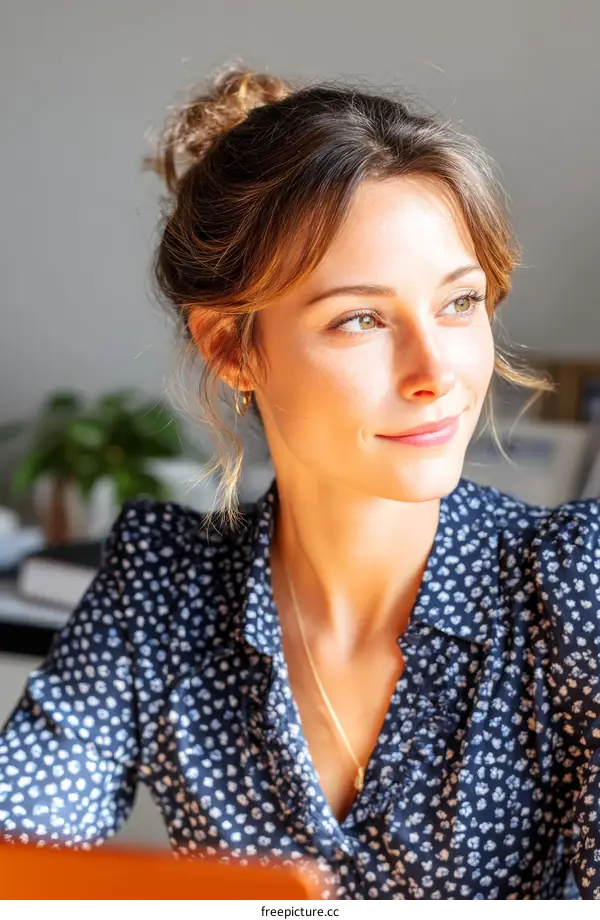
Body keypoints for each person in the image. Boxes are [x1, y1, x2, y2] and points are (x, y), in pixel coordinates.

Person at [1, 65, 599, 901]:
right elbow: (19, 857)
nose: (437, 373)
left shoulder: (572, 587)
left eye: (459, 304)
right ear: (231, 348)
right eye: (362, 319)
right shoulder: (162, 588)